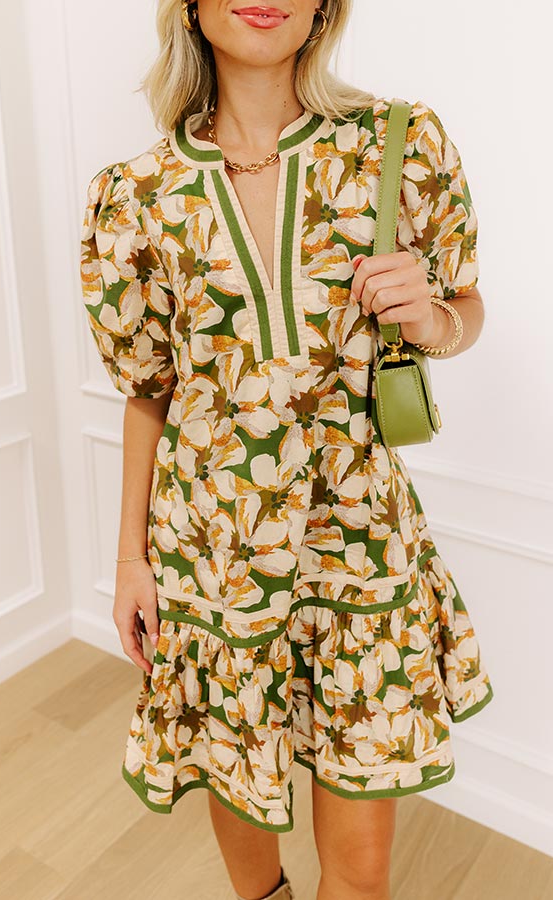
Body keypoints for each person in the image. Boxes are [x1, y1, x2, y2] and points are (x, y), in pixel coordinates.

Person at [79, 1, 495, 898]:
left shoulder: (398, 145)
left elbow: (466, 306)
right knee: (245, 813)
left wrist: (432, 319)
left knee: (362, 876)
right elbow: (149, 391)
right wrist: (130, 562)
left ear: (323, 7)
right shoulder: (136, 194)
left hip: (359, 543)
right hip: (211, 555)